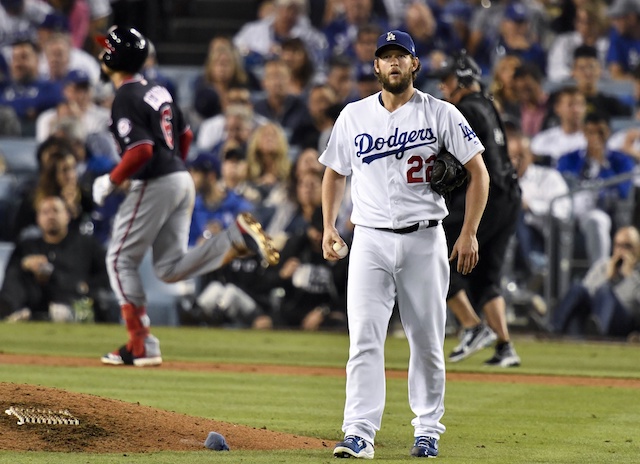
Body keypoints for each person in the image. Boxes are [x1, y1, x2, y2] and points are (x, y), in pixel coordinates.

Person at [320, 30, 489, 459]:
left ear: (415, 64)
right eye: (386, 56)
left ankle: (427, 430)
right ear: (375, 66)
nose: (393, 62)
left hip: (424, 238)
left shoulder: (441, 113)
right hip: (370, 241)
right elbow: (334, 172)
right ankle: (358, 433)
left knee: (428, 340)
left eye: (401, 56)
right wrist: (328, 225)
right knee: (364, 340)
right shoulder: (353, 116)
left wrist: (468, 231)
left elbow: (479, 174)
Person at [92, 26, 280, 367]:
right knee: (168, 267)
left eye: (107, 47)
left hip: (157, 180)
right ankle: (234, 238)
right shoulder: (157, 90)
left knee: (119, 259)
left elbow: (141, 151)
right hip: (180, 178)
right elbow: (186, 134)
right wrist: (176, 164)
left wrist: (111, 179)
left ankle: (140, 343)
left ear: (116, 57)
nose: (102, 52)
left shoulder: (126, 96)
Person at [434, 50, 522, 367]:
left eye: (447, 80)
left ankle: (472, 326)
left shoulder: (466, 109)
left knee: (433, 252)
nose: (443, 87)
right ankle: (505, 346)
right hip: (509, 197)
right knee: (488, 275)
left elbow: (457, 163)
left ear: (462, 79)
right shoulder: (486, 104)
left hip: (489, 197)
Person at [0, 195, 113, 322]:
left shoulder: (86, 243)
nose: (51, 216)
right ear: (38, 218)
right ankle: (9, 312)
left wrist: (86, 286)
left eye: (55, 211)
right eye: (45, 212)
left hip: (72, 297)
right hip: (33, 299)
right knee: (17, 271)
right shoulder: (26, 246)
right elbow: (10, 277)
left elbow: (107, 274)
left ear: (67, 216)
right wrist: (26, 264)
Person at [550, 225, 640, 338]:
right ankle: (553, 328)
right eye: (618, 245)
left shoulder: (637, 274)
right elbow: (587, 292)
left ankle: (598, 333)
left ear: (637, 248)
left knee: (605, 291)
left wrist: (629, 277)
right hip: (594, 315)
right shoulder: (603, 266)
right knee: (578, 287)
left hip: (624, 319)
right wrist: (608, 277)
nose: (621, 250)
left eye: (627, 246)